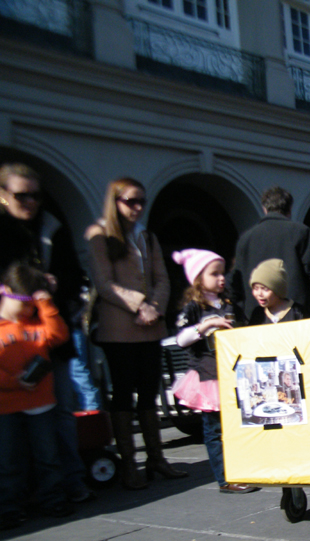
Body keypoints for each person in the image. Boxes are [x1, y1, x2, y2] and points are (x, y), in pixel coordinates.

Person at [0, 163, 94, 504]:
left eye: (35, 195)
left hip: (51, 335)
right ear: (3, 195)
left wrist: (57, 283)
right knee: (11, 425)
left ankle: (67, 483)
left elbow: (74, 275)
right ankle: (17, 492)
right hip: (8, 340)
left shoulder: (52, 225)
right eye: (21, 195)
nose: (30, 201)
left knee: (61, 413)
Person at [85, 177, 187, 489]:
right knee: (123, 396)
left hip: (150, 328)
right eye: (131, 201)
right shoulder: (99, 234)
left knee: (149, 392)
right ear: (115, 201)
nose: (138, 207)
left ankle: (156, 458)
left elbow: (163, 278)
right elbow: (104, 282)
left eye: (141, 200)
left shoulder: (147, 237)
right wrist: (139, 305)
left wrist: (154, 307)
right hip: (119, 330)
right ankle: (131, 463)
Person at [171, 249, 257, 494]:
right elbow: (181, 339)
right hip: (209, 377)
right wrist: (205, 325)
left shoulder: (229, 305)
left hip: (234, 375)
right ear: (198, 278)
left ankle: (243, 469)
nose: (221, 278)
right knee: (215, 430)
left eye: (222, 273)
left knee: (240, 426)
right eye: (214, 273)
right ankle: (225, 478)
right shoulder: (194, 308)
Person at [0, 264, 72, 530]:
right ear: (7, 292)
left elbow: (59, 334)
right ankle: (9, 507)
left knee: (47, 456)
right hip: (5, 405)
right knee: (7, 460)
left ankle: (52, 499)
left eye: (34, 304)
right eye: (28, 304)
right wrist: (11, 382)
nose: (31, 310)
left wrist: (46, 302)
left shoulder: (39, 321)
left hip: (40, 403)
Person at [228, 187, 310, 319]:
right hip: (296, 315)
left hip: (257, 318)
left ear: (264, 209)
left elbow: (235, 282)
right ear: (289, 209)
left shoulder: (246, 239)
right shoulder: (301, 232)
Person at [248, 259, 304, 325]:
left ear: (277, 289)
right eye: (256, 289)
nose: (259, 293)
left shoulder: (296, 312)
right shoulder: (258, 314)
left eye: (265, 289)